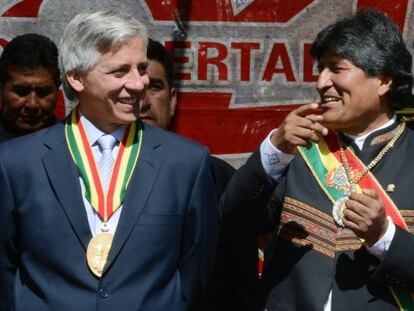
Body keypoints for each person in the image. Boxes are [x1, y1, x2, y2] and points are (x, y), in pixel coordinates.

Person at [0, 10, 218, 311]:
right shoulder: (15, 163)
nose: (138, 83)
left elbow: (196, 275)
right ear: (76, 78)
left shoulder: (186, 164)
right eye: (120, 72)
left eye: (141, 68)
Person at [221, 9, 414, 310]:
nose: (322, 82)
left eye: (337, 68)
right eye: (321, 68)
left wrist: (383, 236)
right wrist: (275, 149)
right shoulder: (299, 149)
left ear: (384, 80)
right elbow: (234, 221)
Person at [143, 39, 260, 310]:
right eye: (135, 88)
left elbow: (240, 283)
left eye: (155, 87)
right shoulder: (94, 175)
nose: (144, 100)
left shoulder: (216, 177)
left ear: (172, 100)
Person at [0, 33, 60, 142]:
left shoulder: (74, 146)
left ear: (57, 88)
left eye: (43, 92)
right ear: (1, 87)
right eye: (21, 91)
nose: (32, 105)